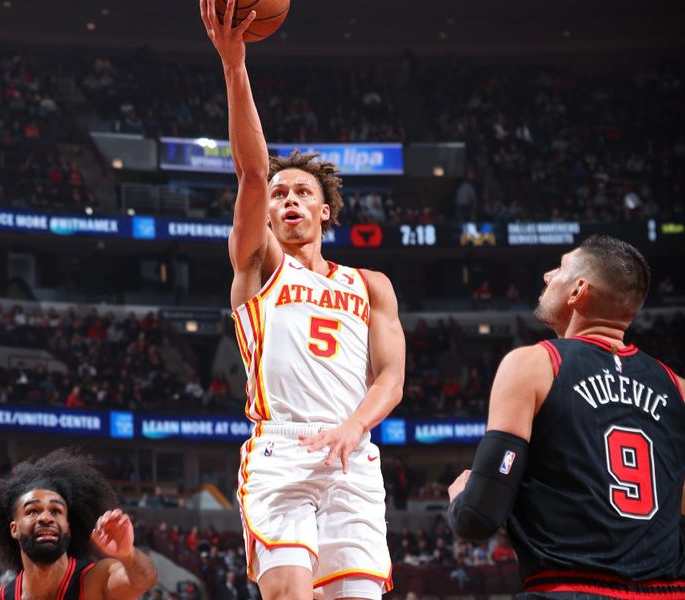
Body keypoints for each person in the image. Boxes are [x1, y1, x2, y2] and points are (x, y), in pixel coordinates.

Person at [200, 1, 405, 598]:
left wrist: (352, 428)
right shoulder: (258, 265)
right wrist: (235, 67)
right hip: (282, 446)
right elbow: (251, 172)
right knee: (290, 592)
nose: (287, 200)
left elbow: (390, 379)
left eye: (302, 194)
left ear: (324, 210)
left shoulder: (371, 285)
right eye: (280, 194)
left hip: (353, 452)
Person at [446, 235, 685, 598]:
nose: (546, 276)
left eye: (558, 268)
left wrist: (461, 496)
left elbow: (477, 517)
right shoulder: (678, 388)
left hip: (569, 587)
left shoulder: (534, 364)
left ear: (577, 291)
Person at [0, 448, 157, 599]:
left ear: (68, 527)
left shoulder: (96, 580)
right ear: (14, 528)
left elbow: (143, 581)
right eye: (33, 511)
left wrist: (128, 555)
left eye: (56, 511)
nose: (46, 518)